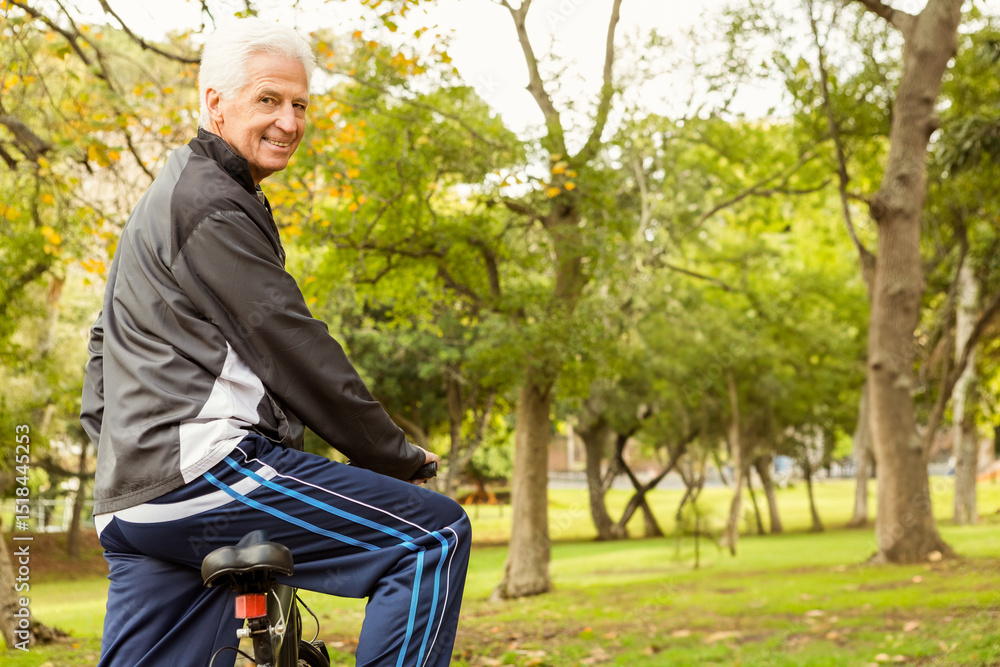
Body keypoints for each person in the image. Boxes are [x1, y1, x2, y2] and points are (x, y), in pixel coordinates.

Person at [80, 17, 471, 667]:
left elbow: (103, 345)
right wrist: (392, 456)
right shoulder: (209, 202)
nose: (289, 122)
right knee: (433, 536)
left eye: (300, 105)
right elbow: (290, 341)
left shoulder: (171, 195)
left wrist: (123, 457)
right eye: (268, 99)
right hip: (205, 473)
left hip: (133, 502)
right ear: (215, 102)